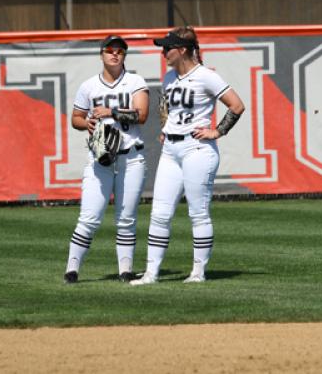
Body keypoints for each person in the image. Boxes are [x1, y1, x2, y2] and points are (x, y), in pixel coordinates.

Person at [131, 26, 245, 286]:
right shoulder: (169, 77)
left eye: (167, 48)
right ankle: (151, 273)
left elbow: (237, 105)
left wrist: (217, 131)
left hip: (197, 150)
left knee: (198, 213)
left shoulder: (206, 76)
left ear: (182, 50)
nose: (163, 52)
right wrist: (165, 128)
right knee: (160, 213)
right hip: (170, 150)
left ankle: (198, 273)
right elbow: (165, 106)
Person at [64, 35, 149, 284]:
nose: (115, 54)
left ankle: (125, 270)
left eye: (120, 51)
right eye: (110, 50)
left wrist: (111, 112)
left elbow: (141, 115)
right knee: (89, 217)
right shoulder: (89, 85)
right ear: (101, 54)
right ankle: (72, 269)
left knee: (126, 217)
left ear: (124, 55)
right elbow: (76, 118)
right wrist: (86, 122)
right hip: (99, 159)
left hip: (131, 158)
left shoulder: (135, 81)